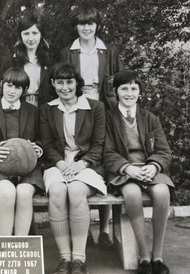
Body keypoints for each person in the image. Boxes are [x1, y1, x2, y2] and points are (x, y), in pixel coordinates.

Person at [59, 5, 123, 249]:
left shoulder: (109, 52)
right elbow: (62, 80)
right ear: (77, 27)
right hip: (77, 105)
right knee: (81, 156)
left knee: (101, 161)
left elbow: (118, 82)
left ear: (97, 26)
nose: (86, 28)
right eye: (82, 24)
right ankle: (81, 228)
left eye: (91, 24)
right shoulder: (68, 52)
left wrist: (114, 107)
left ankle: (104, 229)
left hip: (102, 108)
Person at [103, 69, 173, 274]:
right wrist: (127, 168)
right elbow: (106, 152)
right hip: (124, 171)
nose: (129, 93)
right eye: (124, 88)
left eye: (134, 88)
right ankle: (143, 257)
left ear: (140, 92)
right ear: (115, 92)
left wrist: (153, 166)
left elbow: (164, 151)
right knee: (132, 194)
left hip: (149, 168)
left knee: (162, 193)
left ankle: (157, 256)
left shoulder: (150, 118)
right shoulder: (108, 118)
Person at [40, 63, 107, 274]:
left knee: (77, 191)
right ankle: (64, 259)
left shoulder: (95, 107)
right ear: (53, 84)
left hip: (86, 166)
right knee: (58, 191)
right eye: (59, 82)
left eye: (69, 82)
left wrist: (82, 164)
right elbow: (48, 145)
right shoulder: (47, 108)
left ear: (77, 83)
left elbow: (98, 145)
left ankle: (79, 260)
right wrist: (59, 164)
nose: (65, 87)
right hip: (58, 164)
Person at [0, 67, 44, 274]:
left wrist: (38, 149)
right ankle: (4, 260)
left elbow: (42, 141)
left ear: (24, 90)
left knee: (24, 193)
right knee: (7, 194)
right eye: (8, 85)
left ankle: (20, 262)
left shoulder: (33, 111)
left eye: (18, 87)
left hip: (27, 168)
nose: (12, 91)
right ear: (2, 85)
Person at [0, 14, 53, 108]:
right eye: (26, 33)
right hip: (18, 111)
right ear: (20, 35)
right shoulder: (9, 61)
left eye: (35, 33)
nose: (31, 39)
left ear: (41, 35)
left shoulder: (50, 61)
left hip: (43, 111)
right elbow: (0, 91)